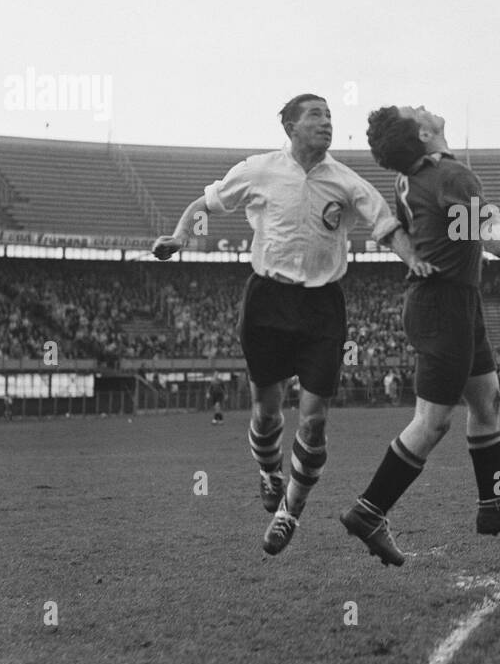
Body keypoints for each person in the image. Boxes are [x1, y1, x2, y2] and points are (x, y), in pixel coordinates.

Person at [152, 94, 434, 556]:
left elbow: (385, 224)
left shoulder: (345, 180)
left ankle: (289, 513)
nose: (326, 123)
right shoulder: (259, 170)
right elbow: (206, 202)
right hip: (267, 301)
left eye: (329, 116)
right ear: (289, 126)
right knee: (266, 410)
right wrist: (180, 236)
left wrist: (414, 261)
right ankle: (268, 471)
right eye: (315, 116)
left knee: (315, 418)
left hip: (323, 307)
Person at [340, 104, 500, 566]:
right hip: (443, 307)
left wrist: (415, 257)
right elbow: (489, 239)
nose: (424, 107)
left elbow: (418, 232)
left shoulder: (409, 178)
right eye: (418, 110)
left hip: (453, 302)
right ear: (425, 132)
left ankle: (494, 506)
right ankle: (368, 511)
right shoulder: (452, 176)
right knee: (432, 422)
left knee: (486, 399)